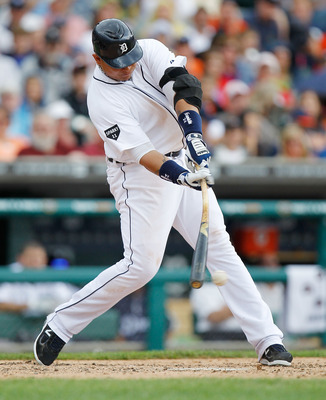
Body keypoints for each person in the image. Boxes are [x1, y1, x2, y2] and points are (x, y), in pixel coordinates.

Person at [33, 18, 293, 367]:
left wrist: (194, 135)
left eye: (131, 58)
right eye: (118, 64)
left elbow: (184, 86)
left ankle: (267, 341)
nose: (129, 67)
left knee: (218, 243)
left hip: (180, 155)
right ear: (98, 59)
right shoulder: (100, 99)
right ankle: (60, 324)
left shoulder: (151, 49)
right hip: (140, 175)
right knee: (141, 267)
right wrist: (180, 176)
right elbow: (143, 154)